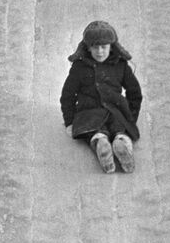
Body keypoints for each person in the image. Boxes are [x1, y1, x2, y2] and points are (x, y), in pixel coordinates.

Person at [60, 20, 142, 174]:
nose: (99, 51)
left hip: (115, 108)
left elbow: (134, 92)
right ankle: (101, 146)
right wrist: (69, 121)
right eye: (95, 47)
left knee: (120, 128)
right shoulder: (80, 67)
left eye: (103, 47)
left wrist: (131, 116)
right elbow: (68, 95)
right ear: (88, 48)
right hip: (89, 111)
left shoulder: (120, 65)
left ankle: (122, 145)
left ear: (111, 47)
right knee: (95, 130)